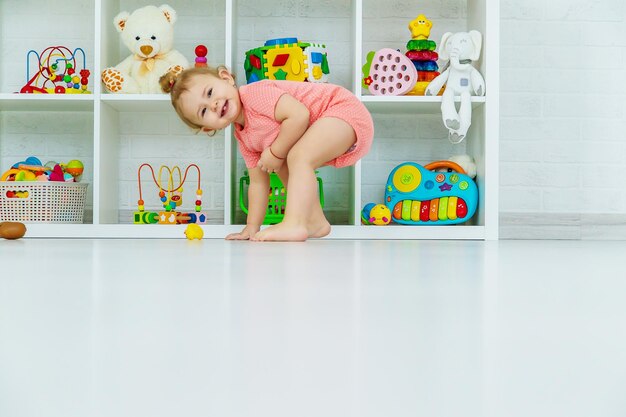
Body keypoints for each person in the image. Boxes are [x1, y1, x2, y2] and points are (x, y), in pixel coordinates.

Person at [160, 65, 374, 241]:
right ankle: (315, 222)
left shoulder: (255, 94)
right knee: (285, 164)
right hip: (331, 125)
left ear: (226, 78)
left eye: (209, 93)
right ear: (208, 128)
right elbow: (258, 184)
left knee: (294, 157)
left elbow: (299, 115)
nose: (213, 104)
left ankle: (294, 223)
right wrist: (251, 227)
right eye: (204, 111)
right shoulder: (244, 137)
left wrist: (275, 152)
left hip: (342, 110)